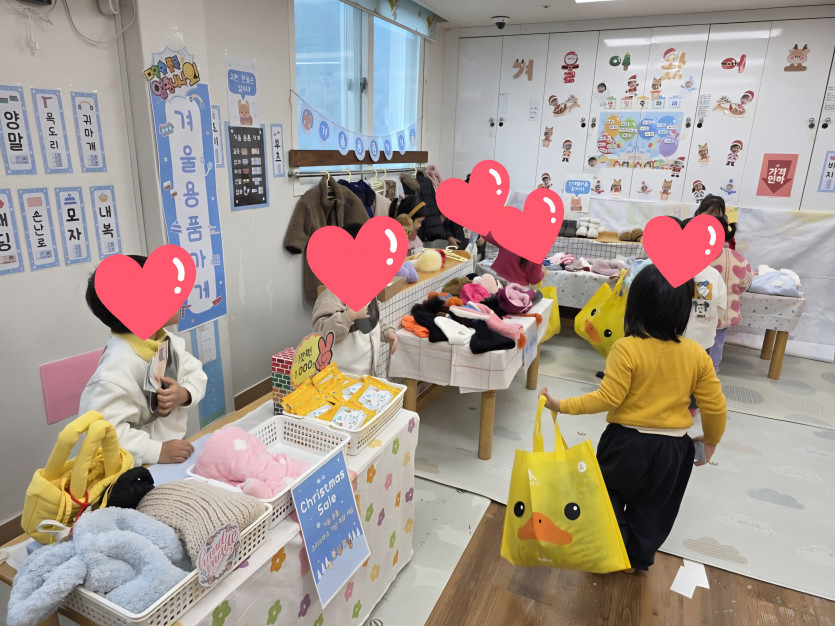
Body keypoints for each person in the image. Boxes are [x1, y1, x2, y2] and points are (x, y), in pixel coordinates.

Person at [540, 265, 727, 573]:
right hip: (672, 450)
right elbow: (715, 406)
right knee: (654, 508)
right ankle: (636, 559)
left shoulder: (625, 348)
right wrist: (711, 441)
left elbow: (607, 398)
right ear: (684, 309)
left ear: (634, 305)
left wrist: (561, 405)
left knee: (606, 496)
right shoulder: (697, 353)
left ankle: (610, 550)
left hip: (626, 443)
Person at [80, 255, 208, 466]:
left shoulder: (164, 341)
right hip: (137, 465)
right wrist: (156, 450)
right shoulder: (114, 371)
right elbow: (100, 434)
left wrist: (184, 394)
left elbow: (195, 372)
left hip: (170, 453)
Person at [312, 224, 398, 377]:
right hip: (340, 377)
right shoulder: (330, 297)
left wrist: (387, 332)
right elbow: (322, 333)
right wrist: (349, 316)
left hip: (366, 373)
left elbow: (372, 321)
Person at [688, 197, 752, 372]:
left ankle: (696, 373)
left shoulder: (695, 253)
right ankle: (711, 373)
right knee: (715, 347)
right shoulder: (737, 257)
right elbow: (746, 282)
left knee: (696, 346)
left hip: (698, 312)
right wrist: (733, 290)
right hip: (723, 312)